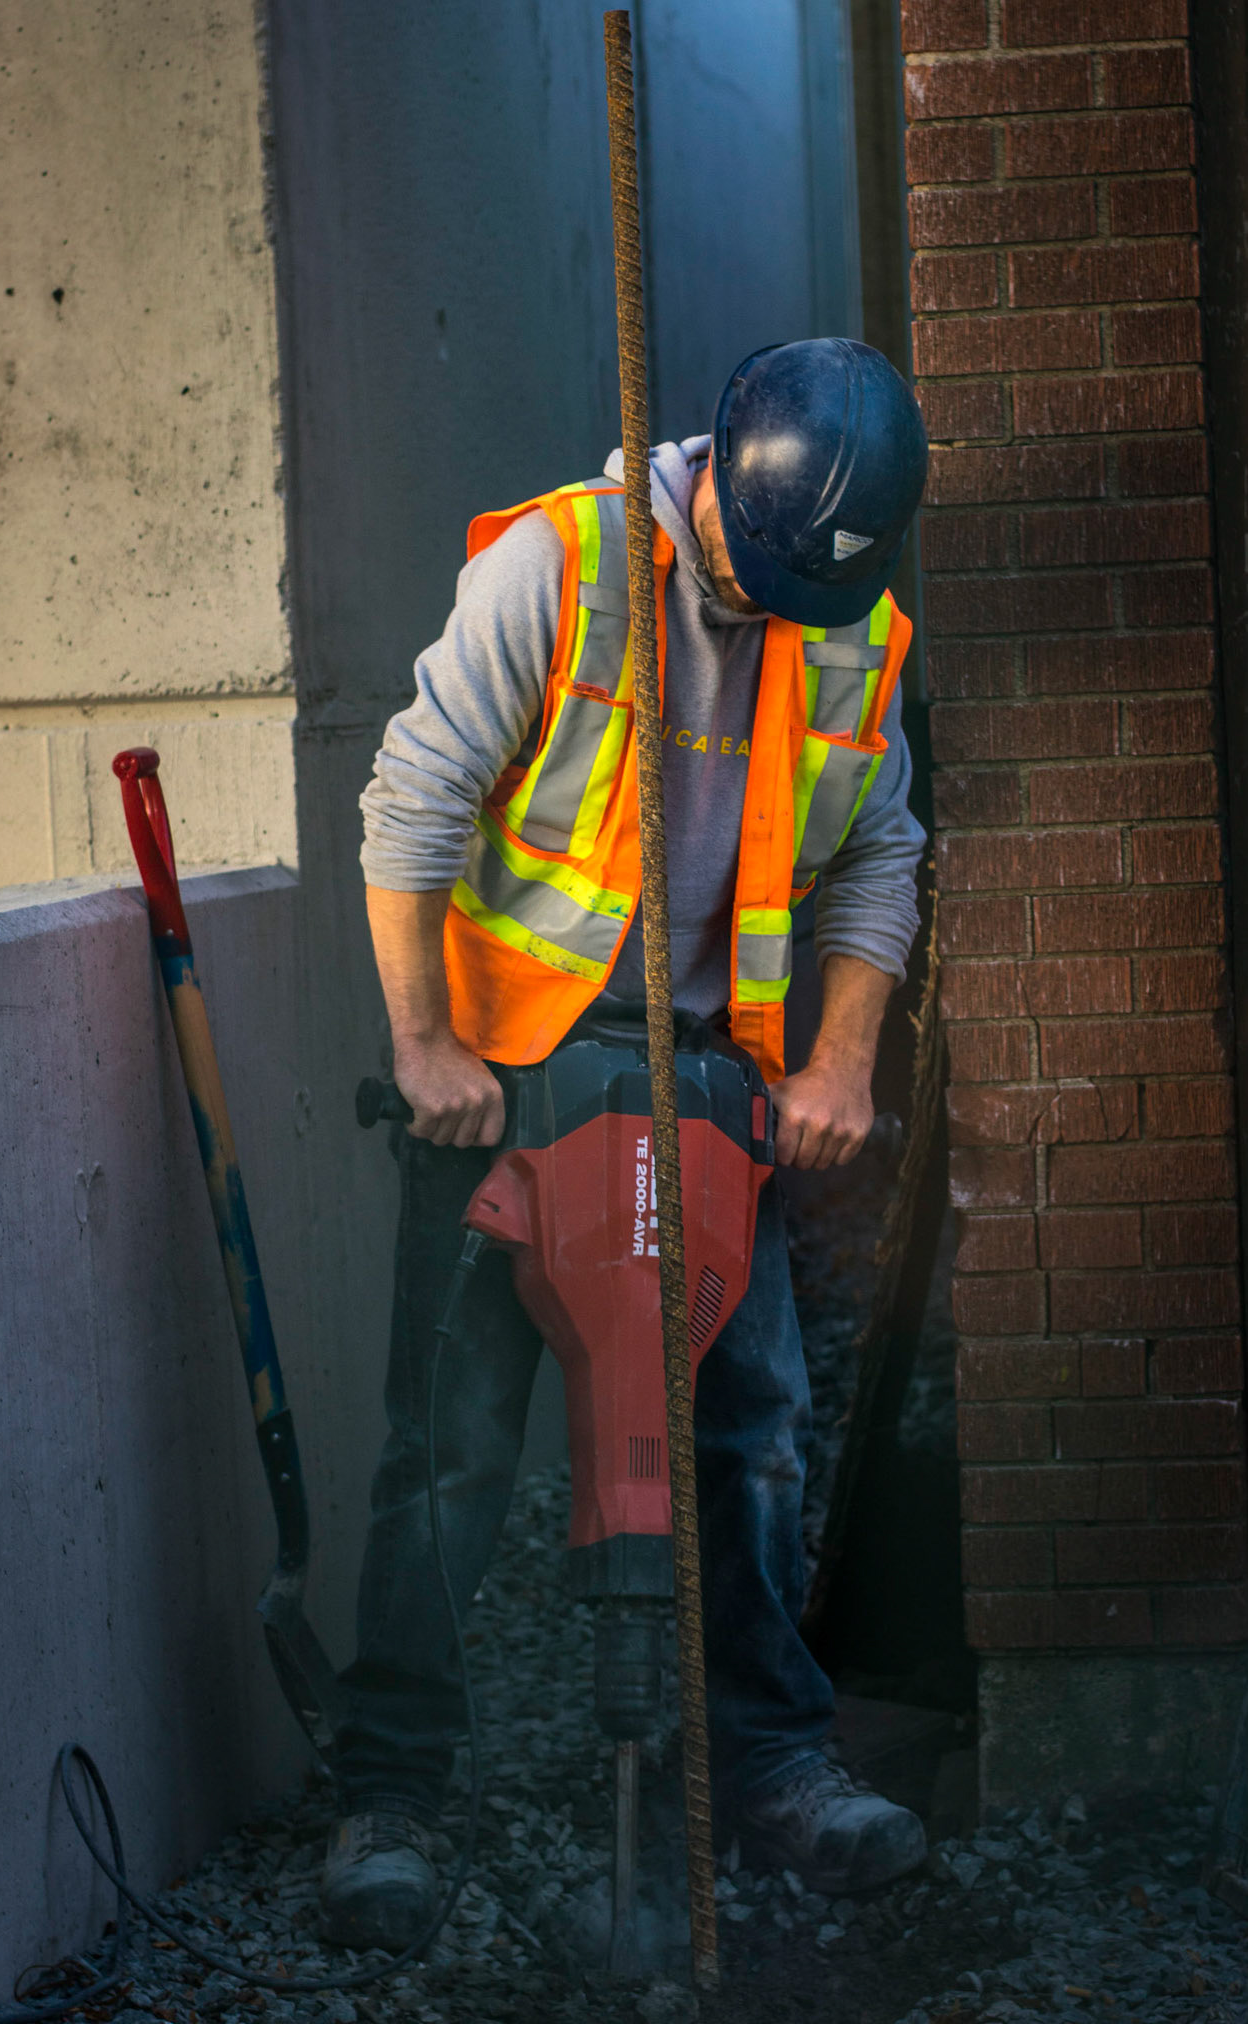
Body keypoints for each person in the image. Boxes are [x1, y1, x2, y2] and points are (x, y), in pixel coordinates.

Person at [325, 338, 931, 1950]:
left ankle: (777, 1774)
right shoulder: (567, 565)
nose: (784, 601)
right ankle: (392, 1796)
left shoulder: (846, 623)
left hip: (707, 1074)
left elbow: (875, 853)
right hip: (507, 1073)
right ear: (715, 478)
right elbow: (414, 796)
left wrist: (838, 1063)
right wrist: (422, 1045)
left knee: (748, 1437)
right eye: (764, 565)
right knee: (449, 1456)